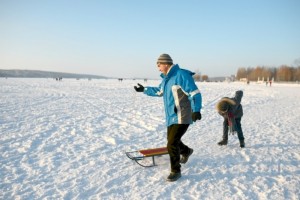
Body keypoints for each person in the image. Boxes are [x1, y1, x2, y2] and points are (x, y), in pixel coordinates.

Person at [134, 54, 202, 182]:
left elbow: (194, 93)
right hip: (171, 116)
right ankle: (186, 151)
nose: (158, 68)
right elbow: (159, 91)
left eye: (159, 65)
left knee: (171, 143)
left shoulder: (181, 75)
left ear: (165, 64)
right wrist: (144, 89)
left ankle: (176, 170)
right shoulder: (166, 79)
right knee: (173, 141)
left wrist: (196, 110)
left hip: (183, 115)